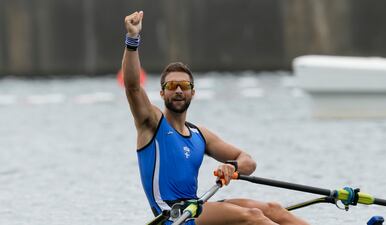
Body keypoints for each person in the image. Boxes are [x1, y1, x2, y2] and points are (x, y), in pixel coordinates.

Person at [122, 10, 310, 225]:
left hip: (194, 207)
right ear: (162, 93)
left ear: (193, 92)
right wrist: (132, 39)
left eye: (184, 86)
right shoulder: (152, 123)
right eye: (171, 86)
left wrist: (232, 167)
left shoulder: (199, 135)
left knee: (274, 209)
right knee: (253, 217)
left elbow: (247, 160)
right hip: (173, 216)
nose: (178, 91)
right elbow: (133, 87)